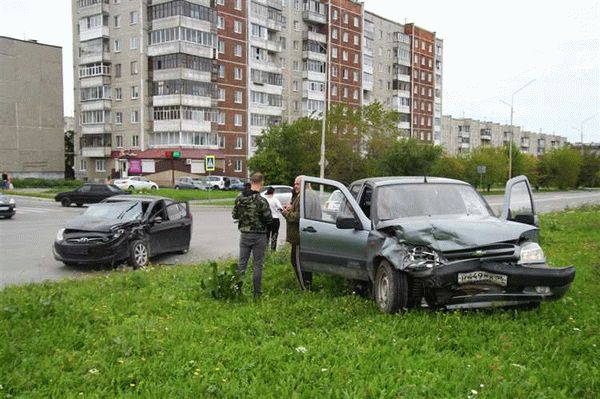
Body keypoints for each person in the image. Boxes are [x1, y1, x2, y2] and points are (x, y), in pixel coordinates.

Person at [232, 172, 273, 298]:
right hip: (259, 236)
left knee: (242, 264)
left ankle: (237, 291)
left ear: (251, 181)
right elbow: (268, 219)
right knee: (257, 265)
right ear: (261, 182)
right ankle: (257, 294)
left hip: (244, 235)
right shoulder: (261, 200)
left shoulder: (240, 198)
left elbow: (234, 215)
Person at [282, 175, 321, 290]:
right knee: (302, 262)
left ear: (304, 184)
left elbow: (300, 216)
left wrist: (286, 213)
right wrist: (290, 208)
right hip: (308, 234)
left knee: (297, 262)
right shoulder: (312, 194)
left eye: (297, 184)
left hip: (300, 236)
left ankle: (305, 288)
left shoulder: (305, 195)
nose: (295, 186)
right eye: (295, 184)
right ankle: (307, 285)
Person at [263, 186, 283, 251]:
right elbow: (280, 208)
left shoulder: (264, 199)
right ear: (273, 192)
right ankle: (273, 250)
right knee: (274, 236)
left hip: (267, 219)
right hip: (275, 219)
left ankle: (265, 250)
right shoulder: (275, 199)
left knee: (266, 236)